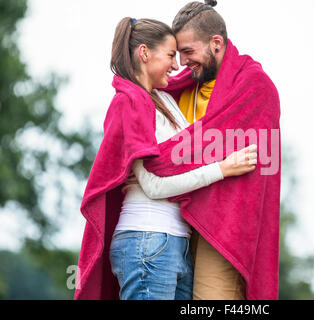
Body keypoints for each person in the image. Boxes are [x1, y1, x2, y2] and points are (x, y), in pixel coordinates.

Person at [74, 17, 257, 300]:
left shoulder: (164, 99)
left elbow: (191, 153)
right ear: (144, 53)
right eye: (171, 55)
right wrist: (223, 168)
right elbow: (155, 186)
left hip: (173, 244)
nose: (176, 65)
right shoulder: (128, 103)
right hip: (147, 241)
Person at [142, 0, 281, 300]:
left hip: (222, 229)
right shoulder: (178, 90)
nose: (182, 63)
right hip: (174, 221)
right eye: (177, 54)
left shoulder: (255, 87)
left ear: (216, 43)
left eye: (189, 52)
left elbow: (262, 166)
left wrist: (157, 161)